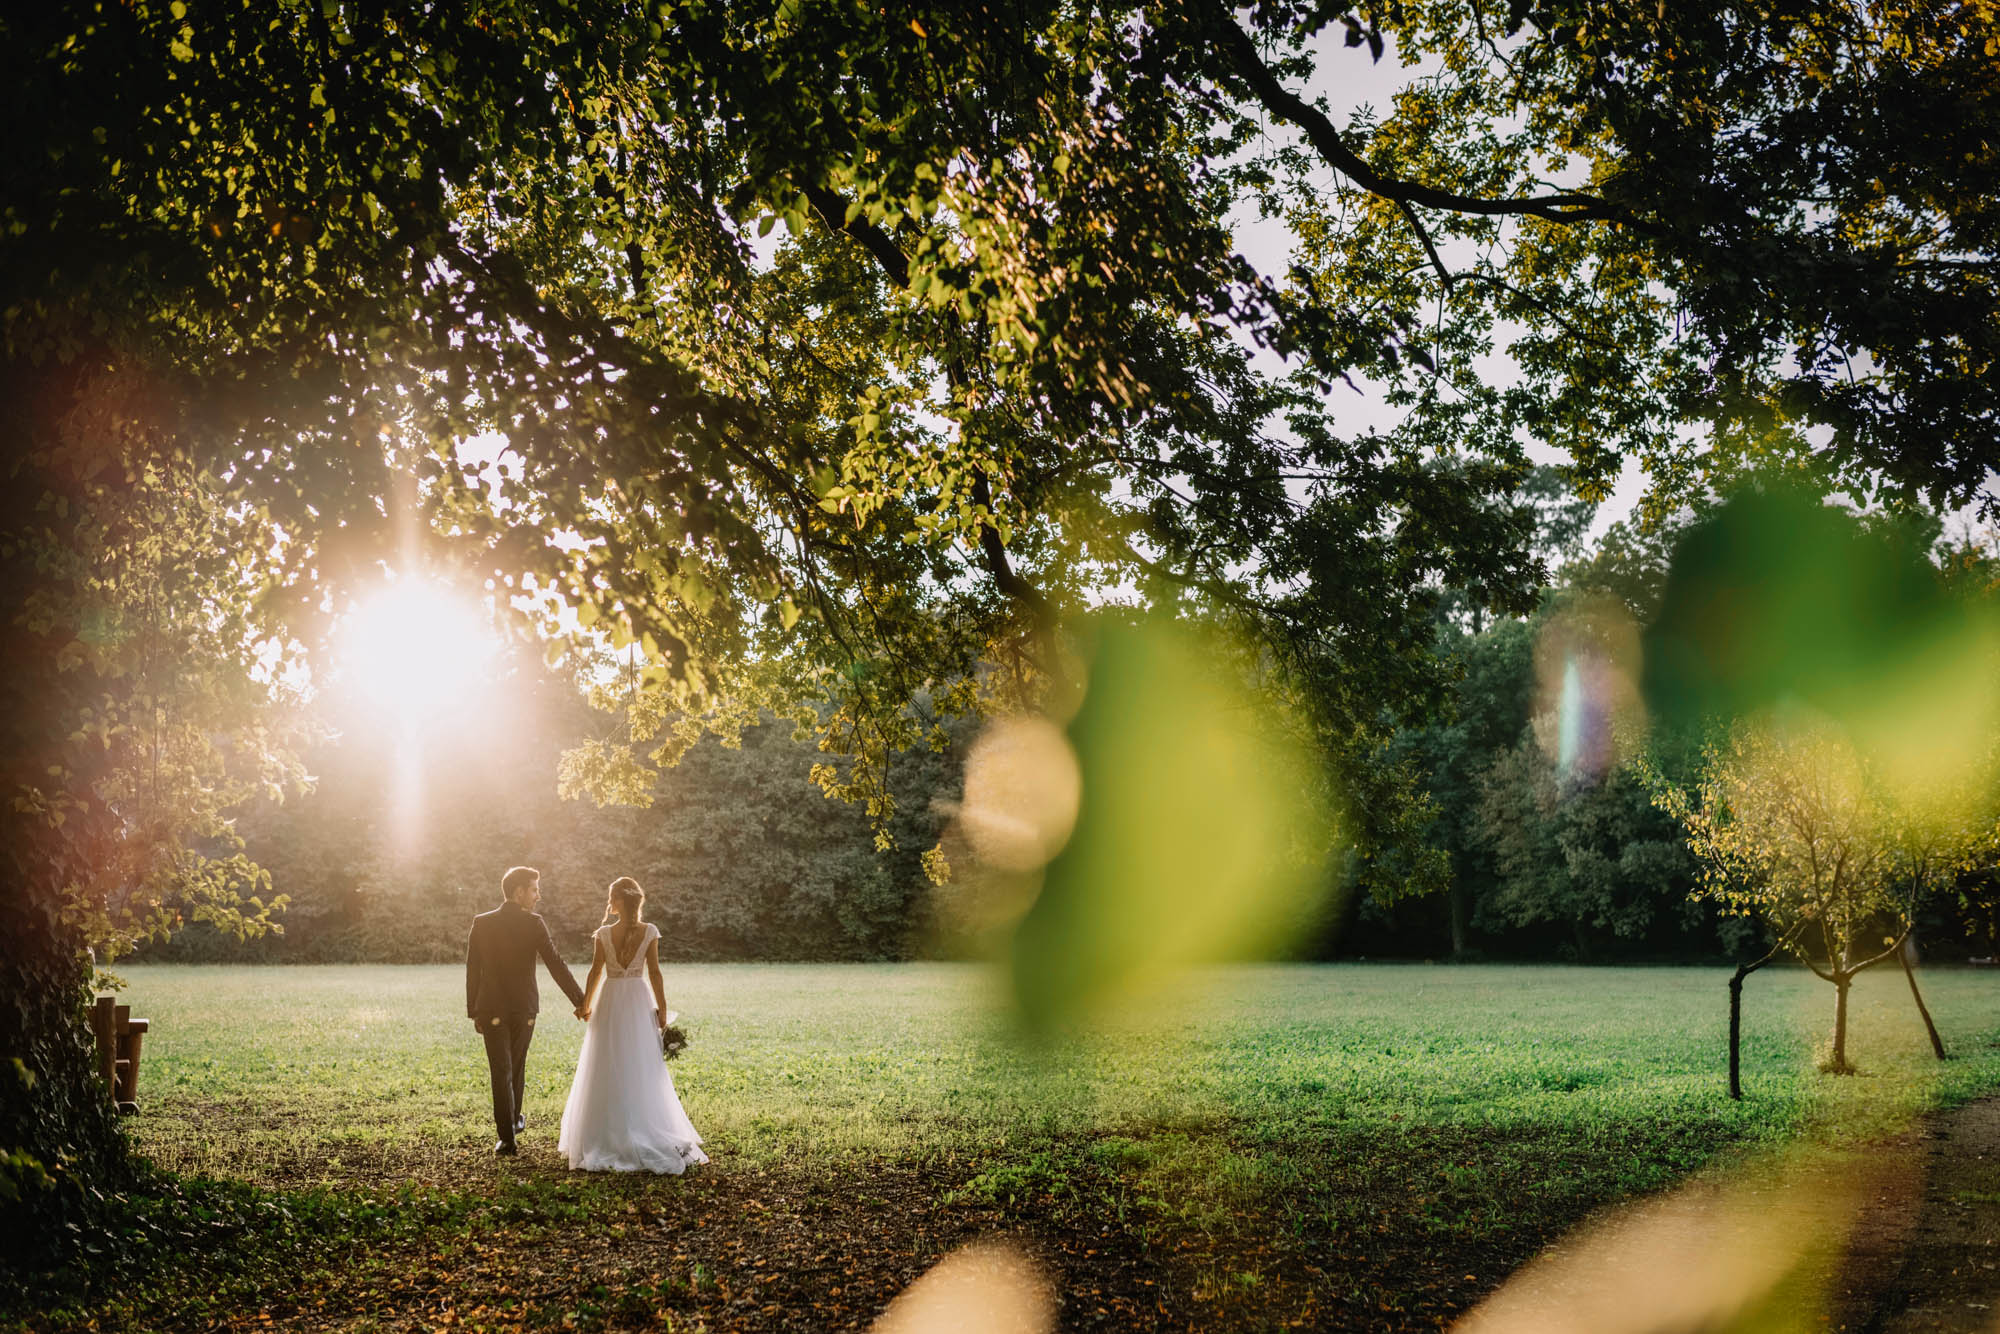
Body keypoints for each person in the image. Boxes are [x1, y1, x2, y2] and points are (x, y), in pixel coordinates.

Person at [559, 876, 707, 1174]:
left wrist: (585, 1005)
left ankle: (605, 1132)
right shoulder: (649, 931)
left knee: (606, 1063)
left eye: (609, 899)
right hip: (638, 1001)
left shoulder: (603, 933)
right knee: (641, 1063)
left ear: (616, 902)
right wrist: (662, 1009)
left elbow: (595, 973)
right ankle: (644, 1124)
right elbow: (655, 973)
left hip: (611, 1001)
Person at [465, 866, 588, 1156]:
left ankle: (507, 1136)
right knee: (515, 1066)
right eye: (534, 889)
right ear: (519, 892)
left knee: (501, 1070)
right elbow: (555, 963)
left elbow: (473, 970)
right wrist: (579, 1000)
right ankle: (512, 1123)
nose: (538, 895)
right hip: (523, 1009)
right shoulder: (533, 923)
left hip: (492, 1008)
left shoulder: (481, 923)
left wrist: (474, 1010)